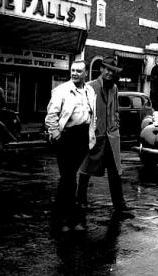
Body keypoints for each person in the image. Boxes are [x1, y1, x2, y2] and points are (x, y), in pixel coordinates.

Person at [77, 56, 133, 219]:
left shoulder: (114, 88)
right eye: (107, 69)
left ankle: (120, 206)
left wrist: (116, 122)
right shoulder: (90, 87)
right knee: (85, 170)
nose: (110, 73)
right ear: (101, 69)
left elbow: (115, 109)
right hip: (95, 136)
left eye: (113, 71)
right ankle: (80, 201)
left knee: (115, 172)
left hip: (111, 137)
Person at [45, 60, 96, 233]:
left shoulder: (89, 91)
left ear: (85, 74)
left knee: (68, 178)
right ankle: (67, 219)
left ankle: (60, 218)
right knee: (68, 178)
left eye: (79, 71)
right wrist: (56, 135)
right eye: (73, 70)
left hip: (83, 137)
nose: (75, 73)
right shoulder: (61, 91)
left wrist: (91, 135)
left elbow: (92, 115)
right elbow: (51, 116)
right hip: (66, 136)